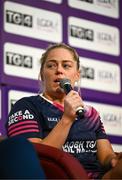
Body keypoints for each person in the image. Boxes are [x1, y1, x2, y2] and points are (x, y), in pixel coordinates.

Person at [5, 43, 122, 179]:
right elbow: (31, 159)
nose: (59, 70)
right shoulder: (27, 106)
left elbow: (106, 156)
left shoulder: (91, 114)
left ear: (77, 75)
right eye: (51, 65)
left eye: (66, 65)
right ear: (42, 74)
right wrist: (67, 119)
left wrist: (114, 160)